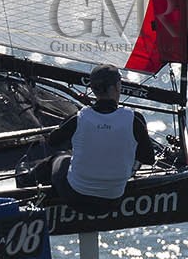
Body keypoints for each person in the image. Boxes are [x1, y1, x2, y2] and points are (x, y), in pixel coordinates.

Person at [25, 65, 155, 213]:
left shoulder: (80, 117)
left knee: (60, 158)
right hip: (113, 201)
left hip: (76, 199)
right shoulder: (134, 119)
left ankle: (26, 181)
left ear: (92, 89)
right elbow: (149, 158)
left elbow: (52, 141)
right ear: (117, 87)